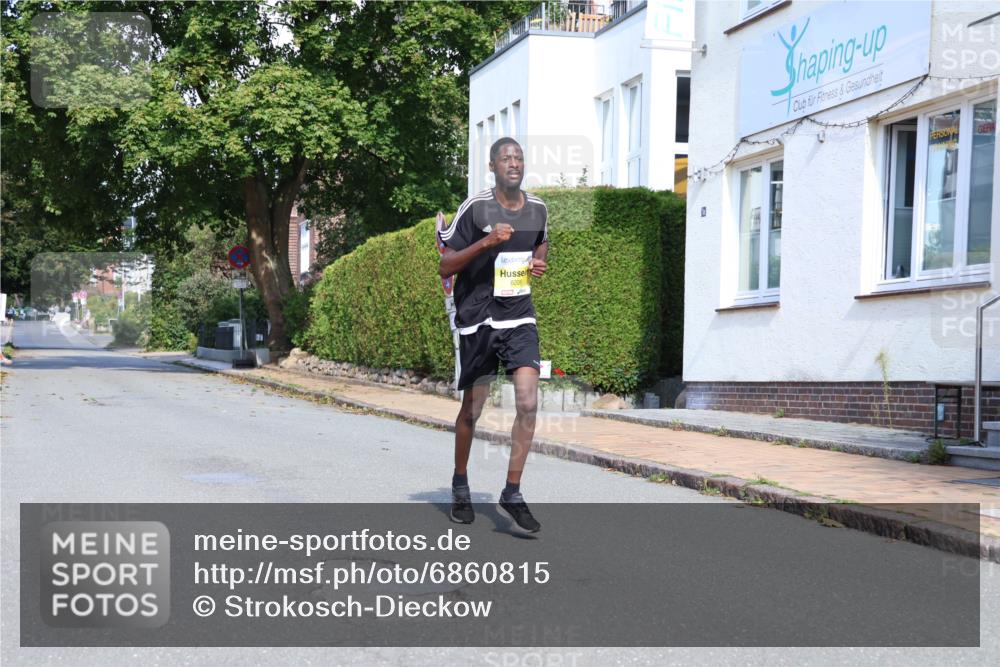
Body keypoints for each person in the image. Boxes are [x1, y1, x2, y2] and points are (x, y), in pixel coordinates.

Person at [438, 137, 549, 534]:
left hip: (518, 316)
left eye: (519, 157)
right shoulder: (475, 208)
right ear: (492, 166)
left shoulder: (537, 208)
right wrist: (487, 241)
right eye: (506, 158)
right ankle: (460, 483)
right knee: (473, 408)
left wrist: (539, 263)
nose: (514, 163)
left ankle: (513, 492)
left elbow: (541, 242)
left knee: (528, 401)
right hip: (479, 317)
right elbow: (445, 266)